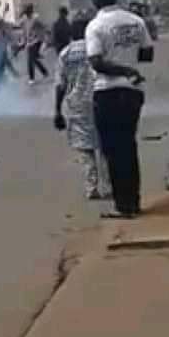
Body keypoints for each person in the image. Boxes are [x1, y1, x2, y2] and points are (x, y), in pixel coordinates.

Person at [86, 0, 154, 219]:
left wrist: (122, 69)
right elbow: (148, 53)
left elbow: (95, 62)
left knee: (113, 150)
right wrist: (130, 65)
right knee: (129, 145)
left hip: (108, 92)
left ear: (97, 0)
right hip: (133, 91)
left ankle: (122, 205)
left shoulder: (96, 25)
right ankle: (133, 201)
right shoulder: (136, 21)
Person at [54, 16, 111, 200]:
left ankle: (91, 187)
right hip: (100, 99)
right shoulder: (98, 49)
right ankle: (109, 186)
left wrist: (57, 110)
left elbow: (60, 85)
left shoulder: (66, 53)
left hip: (76, 105)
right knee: (105, 145)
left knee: (85, 149)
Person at [21, 5, 48, 84]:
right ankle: (44, 72)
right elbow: (24, 31)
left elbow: (43, 26)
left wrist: (43, 37)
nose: (26, 14)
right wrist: (24, 41)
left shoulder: (35, 19)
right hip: (29, 42)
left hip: (36, 41)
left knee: (30, 59)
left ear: (31, 12)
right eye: (26, 13)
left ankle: (31, 78)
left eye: (27, 12)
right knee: (34, 59)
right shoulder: (24, 20)